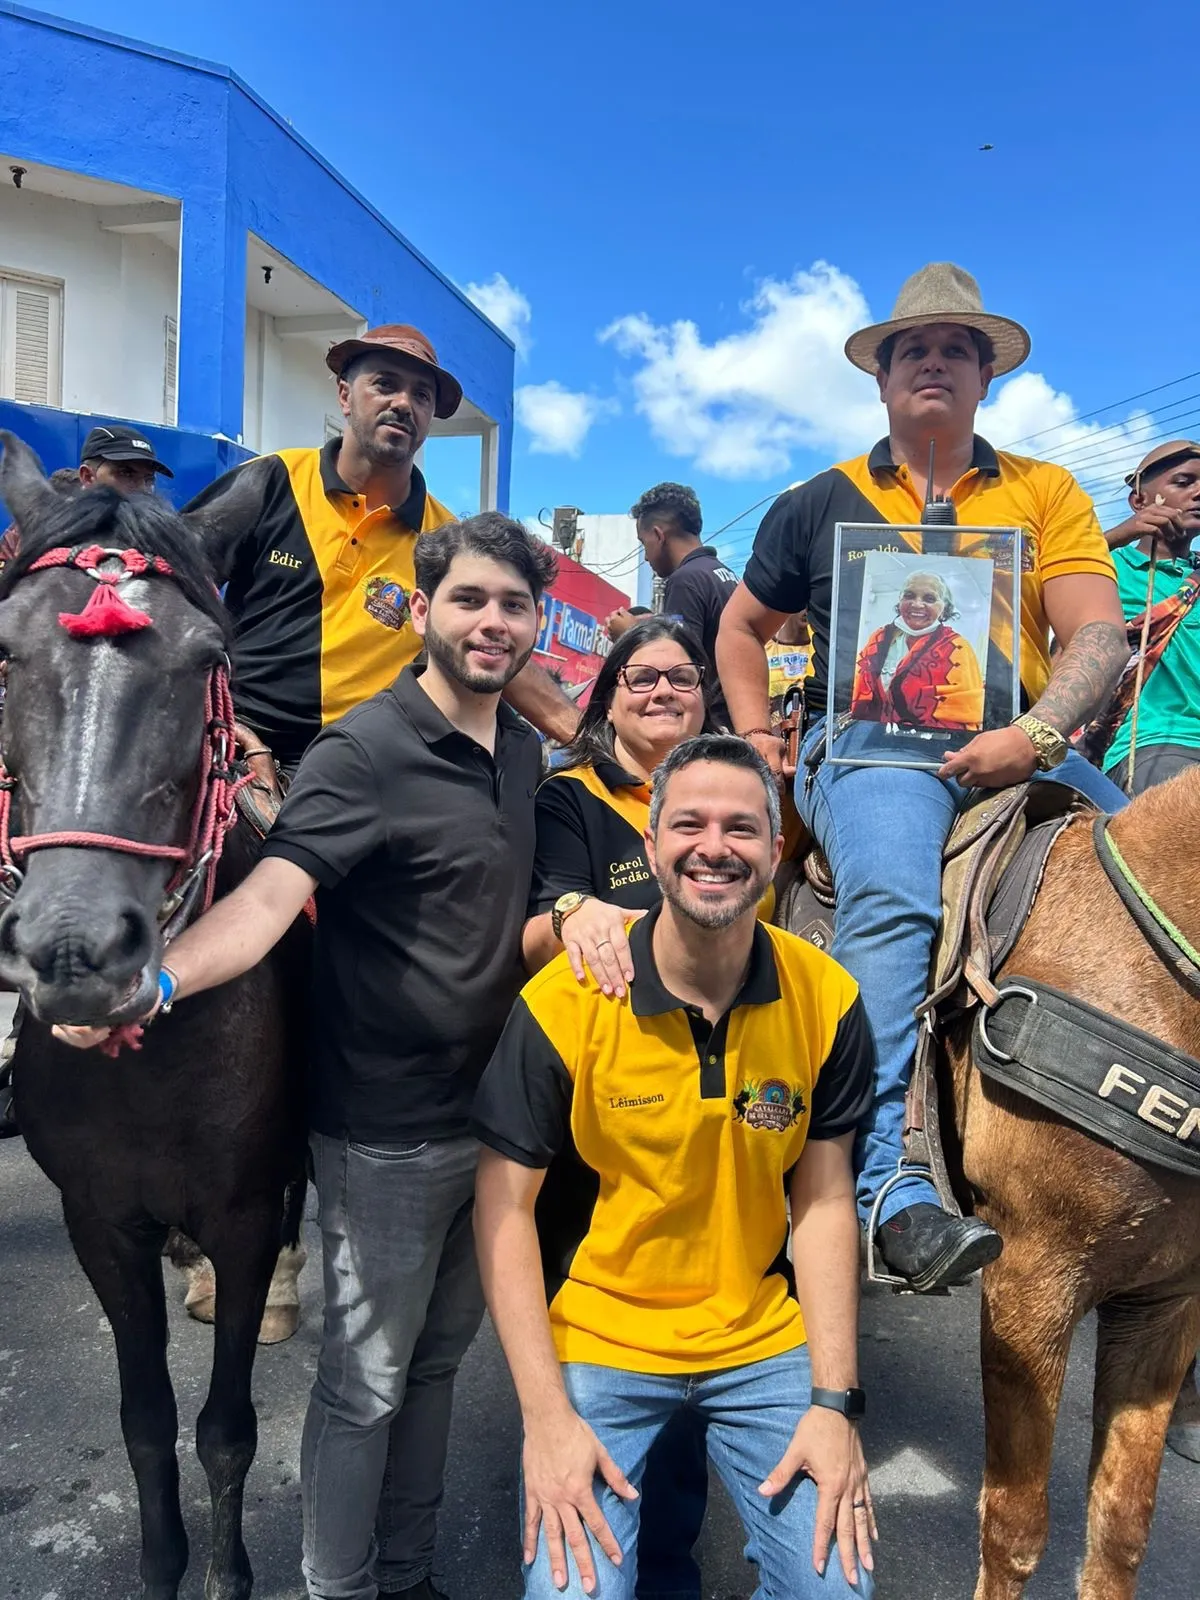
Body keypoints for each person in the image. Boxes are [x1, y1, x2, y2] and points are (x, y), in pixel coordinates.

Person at [55, 512, 556, 1600]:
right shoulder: (364, 749)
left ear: (537, 623)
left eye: (514, 604)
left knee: (432, 1370)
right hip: (385, 1130)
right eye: (469, 599)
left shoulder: (523, 751)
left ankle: (407, 1571)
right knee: (364, 1386)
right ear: (422, 611)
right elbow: (274, 897)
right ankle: (341, 1585)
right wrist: (158, 980)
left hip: (497, 1126)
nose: (491, 622)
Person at [717, 262, 1130, 1292]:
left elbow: (1097, 634)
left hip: (1024, 744)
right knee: (896, 898)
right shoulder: (817, 501)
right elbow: (739, 625)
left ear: (985, 375)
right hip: (871, 747)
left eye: (956, 348)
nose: (934, 362)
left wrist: (1034, 737)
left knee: (1173, 869)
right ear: (883, 377)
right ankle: (887, 1188)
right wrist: (763, 737)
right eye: (914, 349)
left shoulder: (1046, 491)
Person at [473, 735, 877, 1600]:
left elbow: (827, 1200)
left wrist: (835, 1405)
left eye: (742, 827)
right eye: (688, 823)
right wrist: (546, 1422)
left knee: (836, 1589)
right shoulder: (563, 1003)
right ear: (651, 849)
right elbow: (502, 1213)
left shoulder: (828, 998)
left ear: (777, 852)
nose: (714, 846)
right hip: (602, 1334)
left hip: (761, 1339)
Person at [521, 617, 727, 1600]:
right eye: (638, 676)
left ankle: (669, 1566)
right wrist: (577, 914)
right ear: (605, 697)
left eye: (680, 676)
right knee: (599, 1358)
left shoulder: (738, 797)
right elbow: (546, 920)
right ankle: (589, 1538)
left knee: (702, 1348)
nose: (659, 690)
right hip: (603, 1119)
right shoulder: (572, 798)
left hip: (726, 1116)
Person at [184, 323, 578, 782]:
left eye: (422, 395)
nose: (403, 404)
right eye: (385, 384)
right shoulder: (273, 480)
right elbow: (159, 583)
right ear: (345, 395)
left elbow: (497, 649)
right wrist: (210, 715)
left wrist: (604, 748)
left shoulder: (449, 541)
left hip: (365, 768)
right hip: (237, 745)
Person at [1079, 440, 1200, 794]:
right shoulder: (1106, 567)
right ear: (1139, 500)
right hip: (1157, 743)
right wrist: (1121, 533)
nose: (1199, 492)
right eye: (1183, 482)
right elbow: (1025, 575)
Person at [607, 483, 738, 724]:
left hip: (710, 723)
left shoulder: (685, 579)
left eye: (643, 543)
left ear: (658, 535)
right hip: (733, 715)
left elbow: (678, 663)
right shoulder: (724, 574)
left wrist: (629, 633)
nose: (645, 556)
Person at [850, 571, 983, 731]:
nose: (917, 604)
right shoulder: (879, 637)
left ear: (944, 607)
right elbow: (859, 689)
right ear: (900, 600)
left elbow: (966, 708)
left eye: (929, 598)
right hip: (873, 734)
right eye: (909, 595)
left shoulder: (958, 647)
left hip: (931, 742)